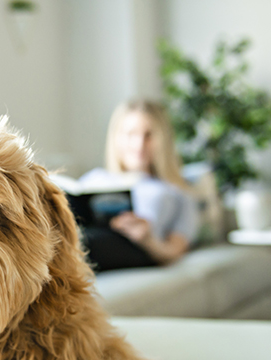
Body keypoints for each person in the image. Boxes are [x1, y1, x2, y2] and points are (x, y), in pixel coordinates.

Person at [68, 100, 199, 272]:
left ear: (163, 140)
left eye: (149, 135)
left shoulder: (175, 191)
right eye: (131, 134)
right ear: (116, 137)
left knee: (80, 243)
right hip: (81, 236)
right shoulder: (94, 178)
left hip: (135, 247)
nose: (139, 144)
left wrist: (147, 239)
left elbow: (175, 250)